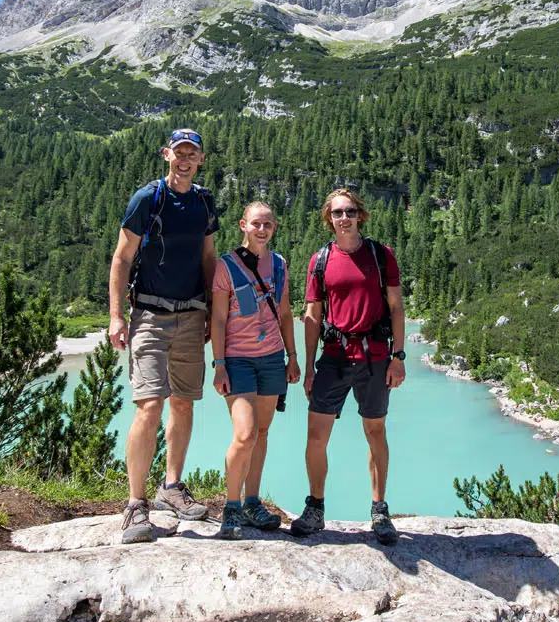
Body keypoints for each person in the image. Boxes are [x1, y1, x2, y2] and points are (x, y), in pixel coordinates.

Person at [108, 128, 219, 544]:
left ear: (201, 159)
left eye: (192, 153)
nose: (185, 159)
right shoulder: (147, 198)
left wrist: (212, 311)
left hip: (192, 314)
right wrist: (117, 316)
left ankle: (171, 488)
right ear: (166, 155)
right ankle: (136, 504)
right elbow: (122, 256)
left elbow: (208, 257)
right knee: (149, 405)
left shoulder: (204, 201)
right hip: (149, 315)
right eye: (179, 152)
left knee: (184, 404)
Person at [292, 189, 407, 545]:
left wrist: (398, 357)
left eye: (351, 211)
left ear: (360, 215)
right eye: (338, 213)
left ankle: (379, 510)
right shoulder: (321, 260)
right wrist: (308, 366)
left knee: (375, 432)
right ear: (330, 218)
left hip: (374, 357)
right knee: (316, 436)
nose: (345, 218)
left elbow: (397, 306)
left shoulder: (380, 255)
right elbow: (312, 314)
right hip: (334, 357)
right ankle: (315, 508)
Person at [209, 201, 301, 539]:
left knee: (261, 433)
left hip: (272, 357)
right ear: (243, 225)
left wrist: (292, 356)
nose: (263, 230)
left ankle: (251, 502)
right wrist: (219, 365)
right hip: (237, 360)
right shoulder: (226, 267)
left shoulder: (278, 264)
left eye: (268, 224)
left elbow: (286, 312)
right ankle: (230, 508)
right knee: (245, 433)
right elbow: (218, 319)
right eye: (256, 224)